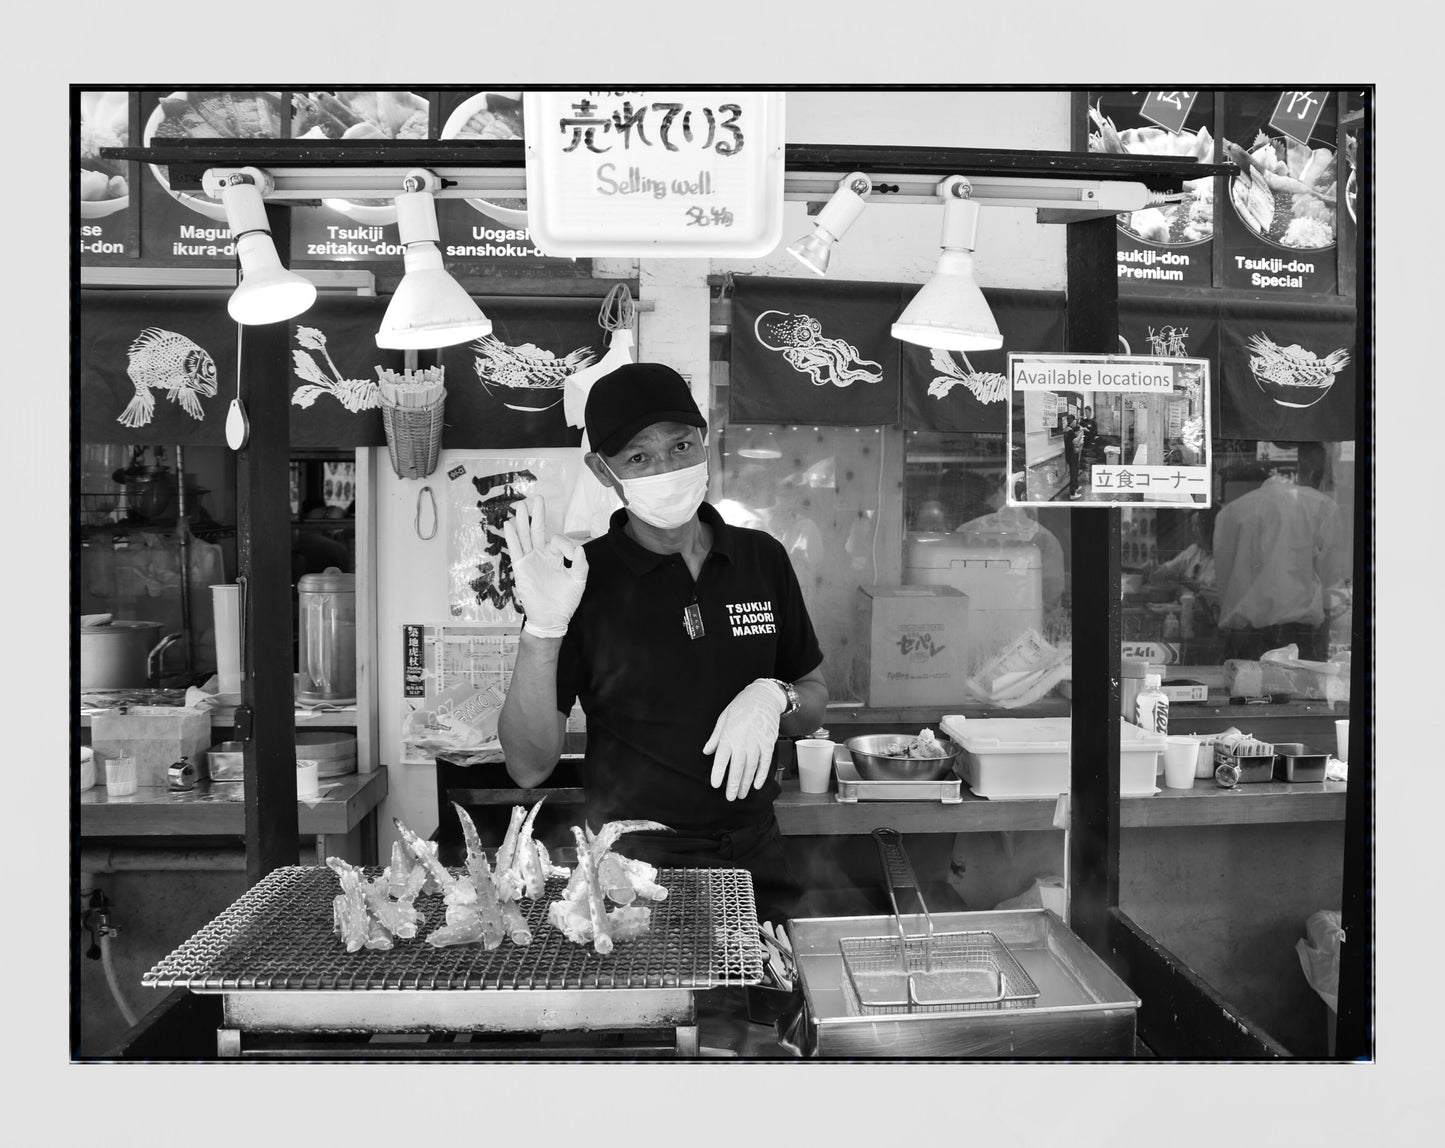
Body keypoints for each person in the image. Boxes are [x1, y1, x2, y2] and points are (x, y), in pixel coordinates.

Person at [497, 362, 829, 922]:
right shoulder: (579, 577)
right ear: (603, 472)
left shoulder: (760, 558)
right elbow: (528, 766)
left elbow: (814, 691)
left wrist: (776, 696)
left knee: (765, 1006)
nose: (667, 467)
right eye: (638, 457)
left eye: (681, 446)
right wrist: (542, 629)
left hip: (756, 850)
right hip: (635, 865)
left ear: (704, 440)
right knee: (667, 1010)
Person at [1212, 443, 1347, 662]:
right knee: (1297, 696)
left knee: (1242, 695)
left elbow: (1224, 579)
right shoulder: (1321, 506)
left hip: (1241, 639)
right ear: (1313, 472)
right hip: (1296, 638)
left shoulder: (1229, 513)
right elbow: (1329, 579)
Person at [1061, 413, 1082, 499]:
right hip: (1071, 455)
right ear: (1072, 421)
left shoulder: (1067, 429)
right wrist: (1081, 434)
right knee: (1073, 473)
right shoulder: (1069, 431)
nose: (1075, 422)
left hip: (1070, 454)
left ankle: (1075, 488)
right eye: (1075, 421)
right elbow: (1075, 441)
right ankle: (1072, 493)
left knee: (1075, 470)